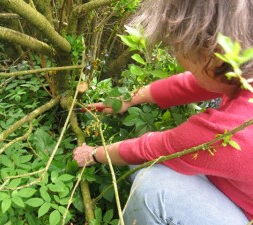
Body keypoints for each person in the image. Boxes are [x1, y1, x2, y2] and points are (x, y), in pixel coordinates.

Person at [73, 0, 253, 224]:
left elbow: (152, 148)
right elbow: (193, 84)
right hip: (238, 190)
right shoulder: (241, 75)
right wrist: (128, 100)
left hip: (244, 211)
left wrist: (93, 154)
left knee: (151, 185)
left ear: (214, 56)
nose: (175, 53)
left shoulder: (230, 130)